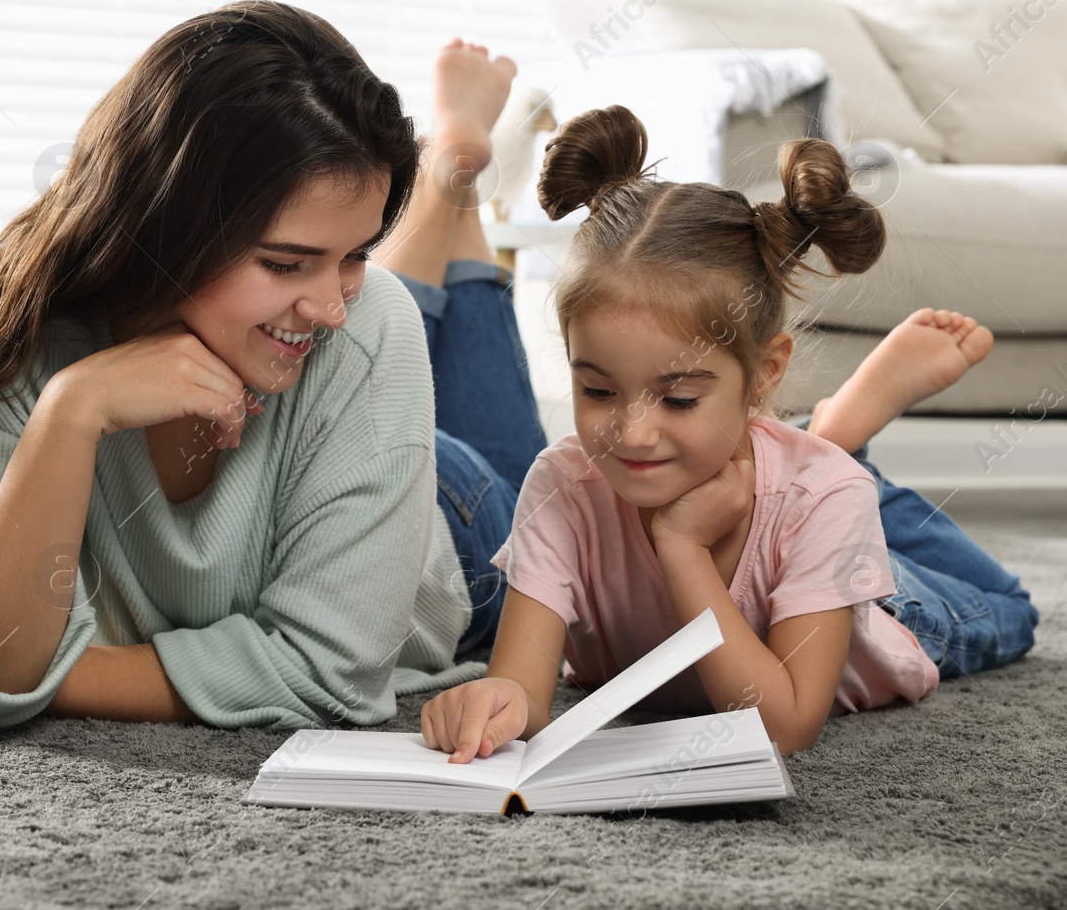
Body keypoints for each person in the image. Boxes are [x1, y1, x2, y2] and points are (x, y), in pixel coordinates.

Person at [0, 2, 534, 729]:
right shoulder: (5, 335)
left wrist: (22, 673)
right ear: (167, 224)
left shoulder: (363, 324)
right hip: (332, 430)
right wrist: (70, 412)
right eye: (285, 261)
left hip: (460, 513)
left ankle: (450, 171)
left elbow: (327, 674)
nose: (331, 303)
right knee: (358, 313)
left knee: (391, 323)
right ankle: (449, 169)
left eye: (356, 250)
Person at [418, 104, 1041, 764]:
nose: (632, 433)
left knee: (1009, 609)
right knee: (817, 476)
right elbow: (525, 688)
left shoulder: (821, 501)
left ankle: (831, 445)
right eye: (598, 390)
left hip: (887, 612)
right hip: (786, 479)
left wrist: (682, 549)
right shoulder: (563, 484)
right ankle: (824, 437)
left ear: (764, 372)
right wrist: (495, 702)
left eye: (678, 397)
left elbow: (785, 726)